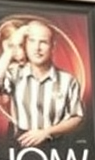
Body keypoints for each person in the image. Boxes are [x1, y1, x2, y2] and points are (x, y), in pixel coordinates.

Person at [0, 17, 84, 147]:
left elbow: (76, 116)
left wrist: (46, 132)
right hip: (19, 148)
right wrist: (12, 48)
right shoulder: (14, 74)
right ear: (25, 45)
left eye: (43, 42)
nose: (37, 48)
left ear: (52, 46)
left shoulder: (68, 81)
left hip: (56, 149)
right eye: (32, 41)